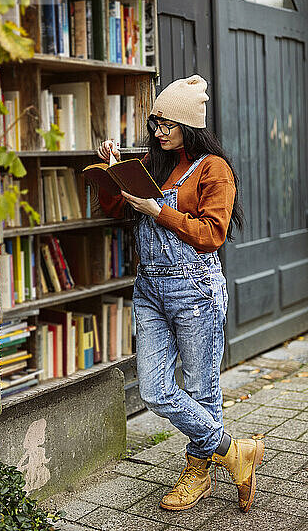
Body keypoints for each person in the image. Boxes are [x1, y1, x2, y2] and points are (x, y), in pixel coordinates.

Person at [97, 74, 264, 513]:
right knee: (154, 389)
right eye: (155, 123)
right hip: (149, 288)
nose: (158, 132)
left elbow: (212, 234)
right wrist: (113, 173)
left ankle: (197, 472)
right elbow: (113, 211)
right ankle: (234, 450)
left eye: (167, 125)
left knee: (202, 389)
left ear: (189, 126)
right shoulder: (153, 163)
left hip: (195, 288)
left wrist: (160, 210)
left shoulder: (214, 169)